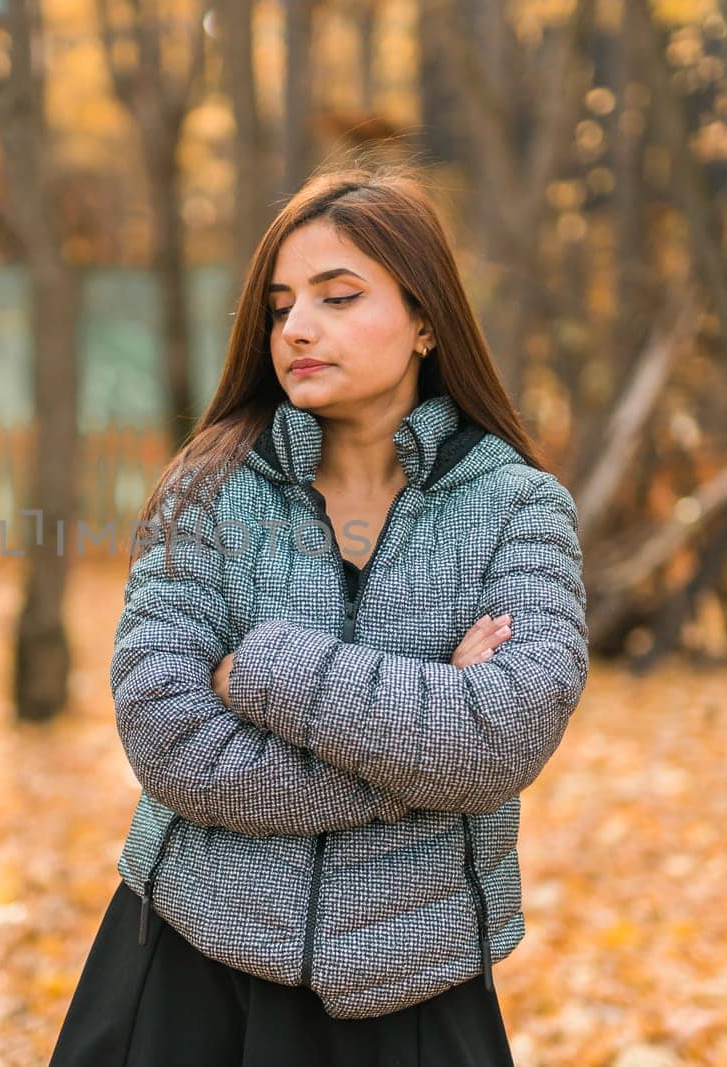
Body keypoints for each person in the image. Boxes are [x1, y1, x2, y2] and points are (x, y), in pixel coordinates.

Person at [49, 165, 590, 1066]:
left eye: (339, 297)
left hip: (416, 993)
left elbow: (501, 739)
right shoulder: (207, 492)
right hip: (185, 972)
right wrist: (421, 753)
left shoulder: (520, 510)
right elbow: (167, 736)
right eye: (281, 306)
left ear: (426, 320)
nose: (297, 327)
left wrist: (259, 669)